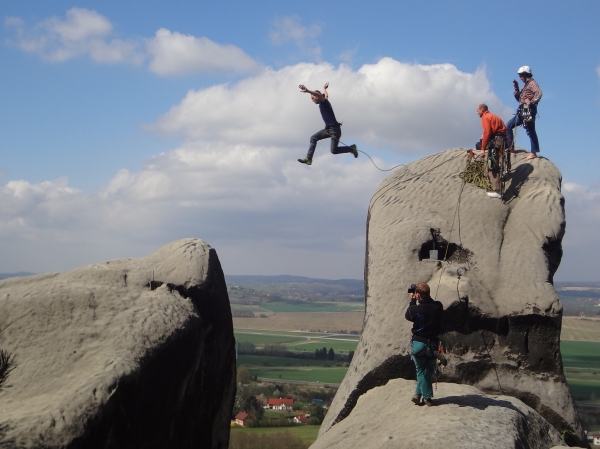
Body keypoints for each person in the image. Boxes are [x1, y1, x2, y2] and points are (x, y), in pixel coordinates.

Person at [297, 83, 359, 166]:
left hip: (334, 130)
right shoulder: (325, 101)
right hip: (328, 130)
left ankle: (351, 148)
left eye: (313, 97)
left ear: (318, 96)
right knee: (313, 138)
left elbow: (319, 95)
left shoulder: (323, 102)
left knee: (334, 150)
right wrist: (324, 88)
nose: (312, 99)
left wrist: (308, 91)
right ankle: (309, 158)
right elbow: (326, 95)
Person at [405, 282, 443, 407]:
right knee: (428, 371)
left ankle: (426, 398)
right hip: (432, 344)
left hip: (419, 343)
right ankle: (417, 394)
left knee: (421, 371)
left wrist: (412, 300)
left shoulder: (414, 309)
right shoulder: (438, 306)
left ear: (418, 295)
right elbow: (434, 305)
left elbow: (408, 315)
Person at [506, 66, 543, 161]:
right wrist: (517, 89)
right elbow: (520, 99)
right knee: (509, 126)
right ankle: (511, 147)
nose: (520, 78)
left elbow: (539, 93)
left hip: (528, 110)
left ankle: (533, 152)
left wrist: (531, 102)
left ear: (526, 74)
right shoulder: (527, 85)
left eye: (521, 75)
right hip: (522, 111)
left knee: (530, 131)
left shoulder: (532, 83)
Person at [476, 104, 507, 199]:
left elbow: (487, 132)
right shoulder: (494, 116)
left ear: (482, 110)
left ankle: (497, 191)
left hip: (496, 140)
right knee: (494, 161)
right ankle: (495, 181)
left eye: (477, 110)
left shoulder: (485, 117)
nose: (476, 112)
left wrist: (482, 148)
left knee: (492, 164)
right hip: (501, 140)